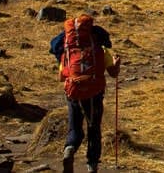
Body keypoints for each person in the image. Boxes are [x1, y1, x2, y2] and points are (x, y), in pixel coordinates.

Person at [51, 13, 120, 173]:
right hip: (94, 93)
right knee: (94, 129)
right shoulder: (100, 48)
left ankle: (69, 149)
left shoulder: (68, 49)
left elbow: (62, 76)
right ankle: (92, 166)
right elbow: (113, 73)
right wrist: (117, 64)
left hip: (73, 92)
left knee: (75, 128)